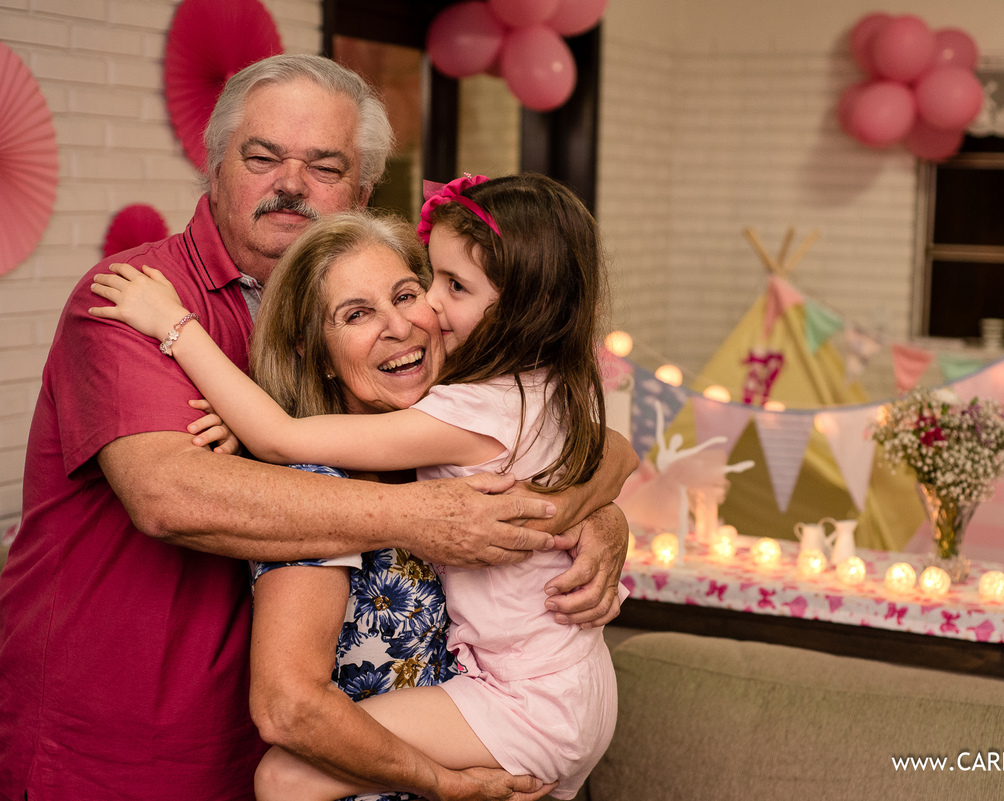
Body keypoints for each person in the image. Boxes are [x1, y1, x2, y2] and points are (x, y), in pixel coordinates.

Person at [0, 54, 635, 801]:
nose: (291, 183)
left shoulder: (423, 392)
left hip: (315, 750)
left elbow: (560, 430)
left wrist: (593, 507)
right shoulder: (133, 301)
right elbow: (172, 494)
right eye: (262, 156)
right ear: (215, 167)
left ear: (363, 191)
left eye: (324, 165)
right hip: (127, 746)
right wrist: (426, 518)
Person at [91, 174, 619, 800]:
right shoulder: (315, 491)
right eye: (357, 313)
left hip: (531, 714)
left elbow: (612, 449)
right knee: (284, 780)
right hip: (476, 747)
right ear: (315, 350)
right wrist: (443, 784)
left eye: (410, 293)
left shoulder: (463, 422)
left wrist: (595, 515)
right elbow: (289, 706)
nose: (405, 324)